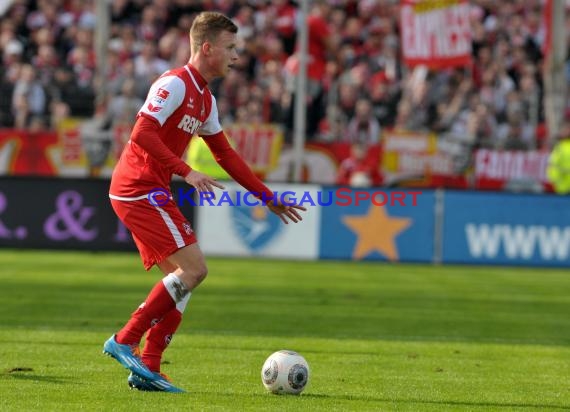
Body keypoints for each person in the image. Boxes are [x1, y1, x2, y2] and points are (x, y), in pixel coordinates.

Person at [103, 11, 306, 393]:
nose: (236, 55)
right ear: (207, 47)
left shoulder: (205, 99)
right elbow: (141, 132)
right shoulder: (175, 84)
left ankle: (147, 368)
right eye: (230, 47)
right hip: (138, 187)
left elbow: (226, 156)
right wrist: (187, 171)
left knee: (181, 280)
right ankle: (126, 339)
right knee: (195, 270)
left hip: (149, 188)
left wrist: (268, 197)